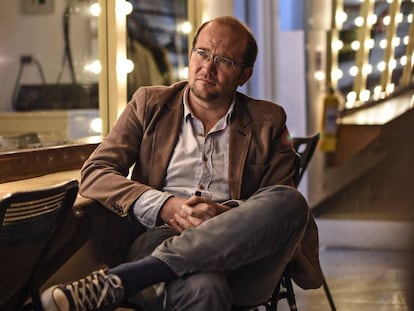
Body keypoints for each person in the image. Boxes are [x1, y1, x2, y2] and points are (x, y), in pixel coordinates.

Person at [41, 15, 323, 311]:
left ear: (244, 75)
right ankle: (137, 275)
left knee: (290, 202)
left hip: (242, 256)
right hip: (157, 239)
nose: (208, 68)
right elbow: (96, 173)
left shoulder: (269, 120)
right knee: (205, 289)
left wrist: (225, 214)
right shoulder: (148, 104)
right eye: (202, 53)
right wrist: (166, 206)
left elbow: (276, 206)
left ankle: (120, 281)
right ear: (191, 55)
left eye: (224, 60)